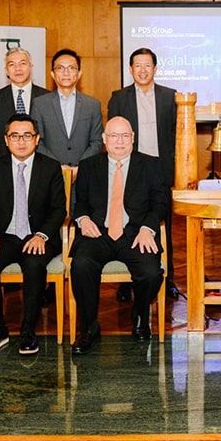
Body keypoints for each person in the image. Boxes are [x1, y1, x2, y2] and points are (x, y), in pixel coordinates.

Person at [69, 117, 167, 355]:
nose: (120, 142)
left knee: (152, 272)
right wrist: (83, 219)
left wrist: (148, 229)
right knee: (81, 265)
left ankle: (141, 315)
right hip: (98, 233)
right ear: (104, 139)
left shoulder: (151, 165)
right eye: (114, 136)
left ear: (133, 138)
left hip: (135, 233)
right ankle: (89, 327)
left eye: (125, 136)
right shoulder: (89, 165)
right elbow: (78, 202)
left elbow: (161, 203)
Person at [0, 114, 67, 356]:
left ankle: (28, 329)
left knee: (35, 265)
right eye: (15, 136)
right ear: (6, 140)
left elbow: (59, 209)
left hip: (39, 235)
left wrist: (42, 235)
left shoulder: (50, 167)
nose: (21, 141)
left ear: (37, 139)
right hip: (5, 235)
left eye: (27, 135)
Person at [107, 48, 180, 299]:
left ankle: (168, 278)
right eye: (137, 65)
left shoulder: (171, 97)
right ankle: (127, 281)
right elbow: (113, 135)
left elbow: (177, 136)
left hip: (161, 169)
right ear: (130, 69)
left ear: (155, 68)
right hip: (130, 167)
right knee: (128, 219)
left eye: (147, 65)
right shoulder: (119, 98)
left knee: (164, 224)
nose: (142, 70)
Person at [32, 49, 104, 183]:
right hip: (50, 176)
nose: (66, 72)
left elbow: (97, 141)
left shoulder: (93, 105)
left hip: (84, 176)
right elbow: (37, 141)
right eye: (60, 68)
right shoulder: (40, 104)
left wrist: (79, 168)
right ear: (52, 74)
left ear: (79, 73)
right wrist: (57, 167)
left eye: (71, 68)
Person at [0, 48, 49, 162]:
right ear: (6, 71)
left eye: (23, 63)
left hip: (41, 164)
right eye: (12, 64)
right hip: (5, 165)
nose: (18, 68)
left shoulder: (47, 97)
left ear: (31, 67)